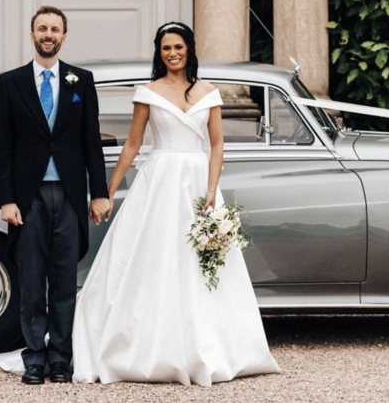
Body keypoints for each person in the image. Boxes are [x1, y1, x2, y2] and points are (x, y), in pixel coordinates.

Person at [71, 22, 279, 385]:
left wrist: (212, 191)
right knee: (154, 258)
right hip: (160, 180)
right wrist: (105, 191)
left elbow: (217, 146)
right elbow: (133, 145)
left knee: (201, 263)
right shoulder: (148, 93)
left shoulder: (210, 93)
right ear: (160, 52)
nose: (172, 54)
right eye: (166, 48)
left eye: (178, 47)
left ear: (189, 49)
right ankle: (148, 347)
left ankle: (212, 347)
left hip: (198, 182)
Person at [0, 5, 110, 385]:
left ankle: (60, 358)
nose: (48, 34)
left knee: (63, 281)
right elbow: (2, 146)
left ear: (64, 37)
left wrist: (99, 193)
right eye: (41, 28)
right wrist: (6, 199)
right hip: (27, 199)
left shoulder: (81, 81)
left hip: (70, 195)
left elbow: (91, 142)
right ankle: (33, 359)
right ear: (32, 36)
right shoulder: (10, 83)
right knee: (30, 282)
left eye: (54, 29)